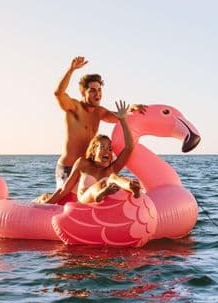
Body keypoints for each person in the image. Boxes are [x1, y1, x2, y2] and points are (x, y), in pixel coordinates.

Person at [51, 56, 144, 189]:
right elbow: (58, 93)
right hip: (68, 168)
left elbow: (118, 117)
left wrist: (131, 109)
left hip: (87, 169)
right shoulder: (74, 107)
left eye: (99, 90)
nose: (97, 94)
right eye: (93, 90)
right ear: (83, 92)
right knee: (67, 201)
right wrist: (71, 70)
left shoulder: (99, 112)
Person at [43, 100, 141, 205]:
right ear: (94, 151)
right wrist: (45, 206)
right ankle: (99, 194)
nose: (107, 151)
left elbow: (129, 147)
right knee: (104, 182)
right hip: (84, 202)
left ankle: (131, 187)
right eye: (102, 147)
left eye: (109, 148)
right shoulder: (83, 163)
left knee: (113, 177)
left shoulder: (112, 168)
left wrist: (122, 120)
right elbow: (64, 189)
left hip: (101, 209)